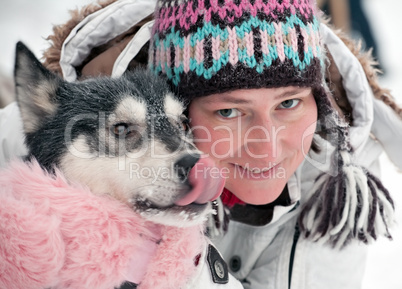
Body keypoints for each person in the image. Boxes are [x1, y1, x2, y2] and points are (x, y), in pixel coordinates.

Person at [1, 0, 402, 288]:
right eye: (229, 112)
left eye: (289, 103)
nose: (267, 149)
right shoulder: (39, 136)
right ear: (183, 109)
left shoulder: (341, 176)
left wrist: (177, 268)